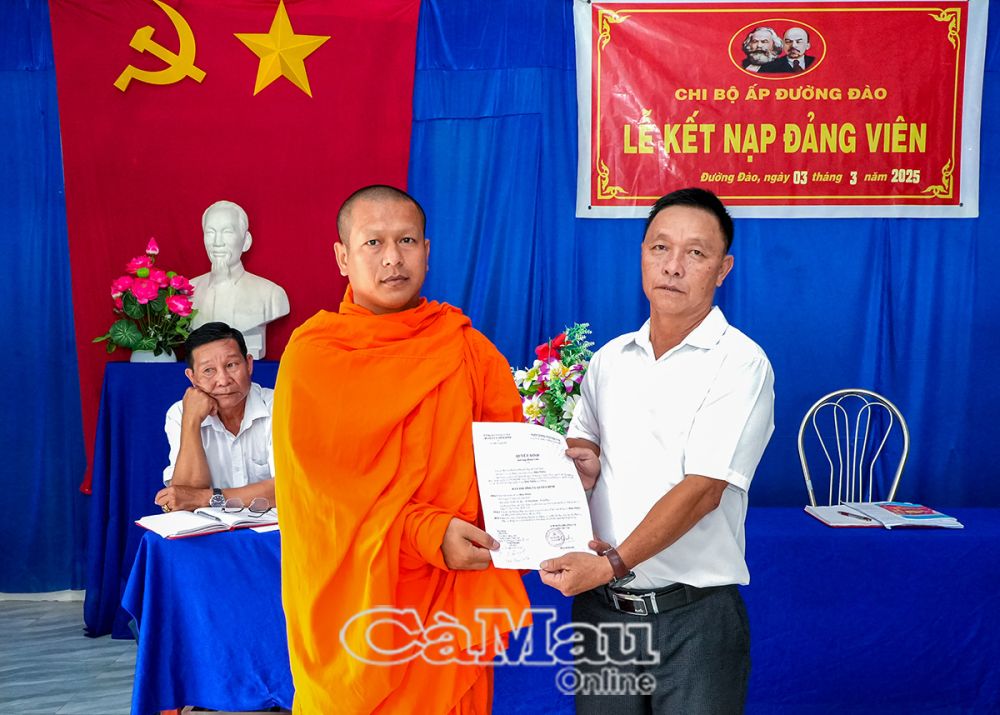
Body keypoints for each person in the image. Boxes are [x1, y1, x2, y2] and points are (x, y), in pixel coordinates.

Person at [272, 185, 530, 714]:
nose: (392, 258)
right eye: (373, 242)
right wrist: (426, 533)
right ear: (342, 257)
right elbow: (324, 502)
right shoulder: (316, 358)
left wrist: (560, 478)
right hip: (358, 612)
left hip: (449, 595)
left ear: (427, 252)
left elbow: (509, 467)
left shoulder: (466, 349)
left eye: (407, 240)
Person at [539, 188, 774, 713]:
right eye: (660, 248)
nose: (673, 266)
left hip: (693, 621)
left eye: (696, 253)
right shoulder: (610, 360)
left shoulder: (740, 364)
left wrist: (611, 564)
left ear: (723, 269)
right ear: (643, 255)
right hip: (603, 617)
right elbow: (584, 446)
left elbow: (703, 490)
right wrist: (578, 468)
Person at [155, 322, 276, 513]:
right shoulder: (179, 413)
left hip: (274, 528)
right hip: (211, 528)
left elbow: (287, 487)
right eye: (208, 370)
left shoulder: (279, 405)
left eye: (231, 365)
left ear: (249, 364)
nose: (223, 380)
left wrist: (207, 498)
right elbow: (183, 498)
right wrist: (191, 422)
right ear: (192, 377)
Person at [190, 200, 290, 359]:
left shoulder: (271, 295)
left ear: (246, 241)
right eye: (210, 232)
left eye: (227, 232)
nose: (217, 242)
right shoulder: (189, 291)